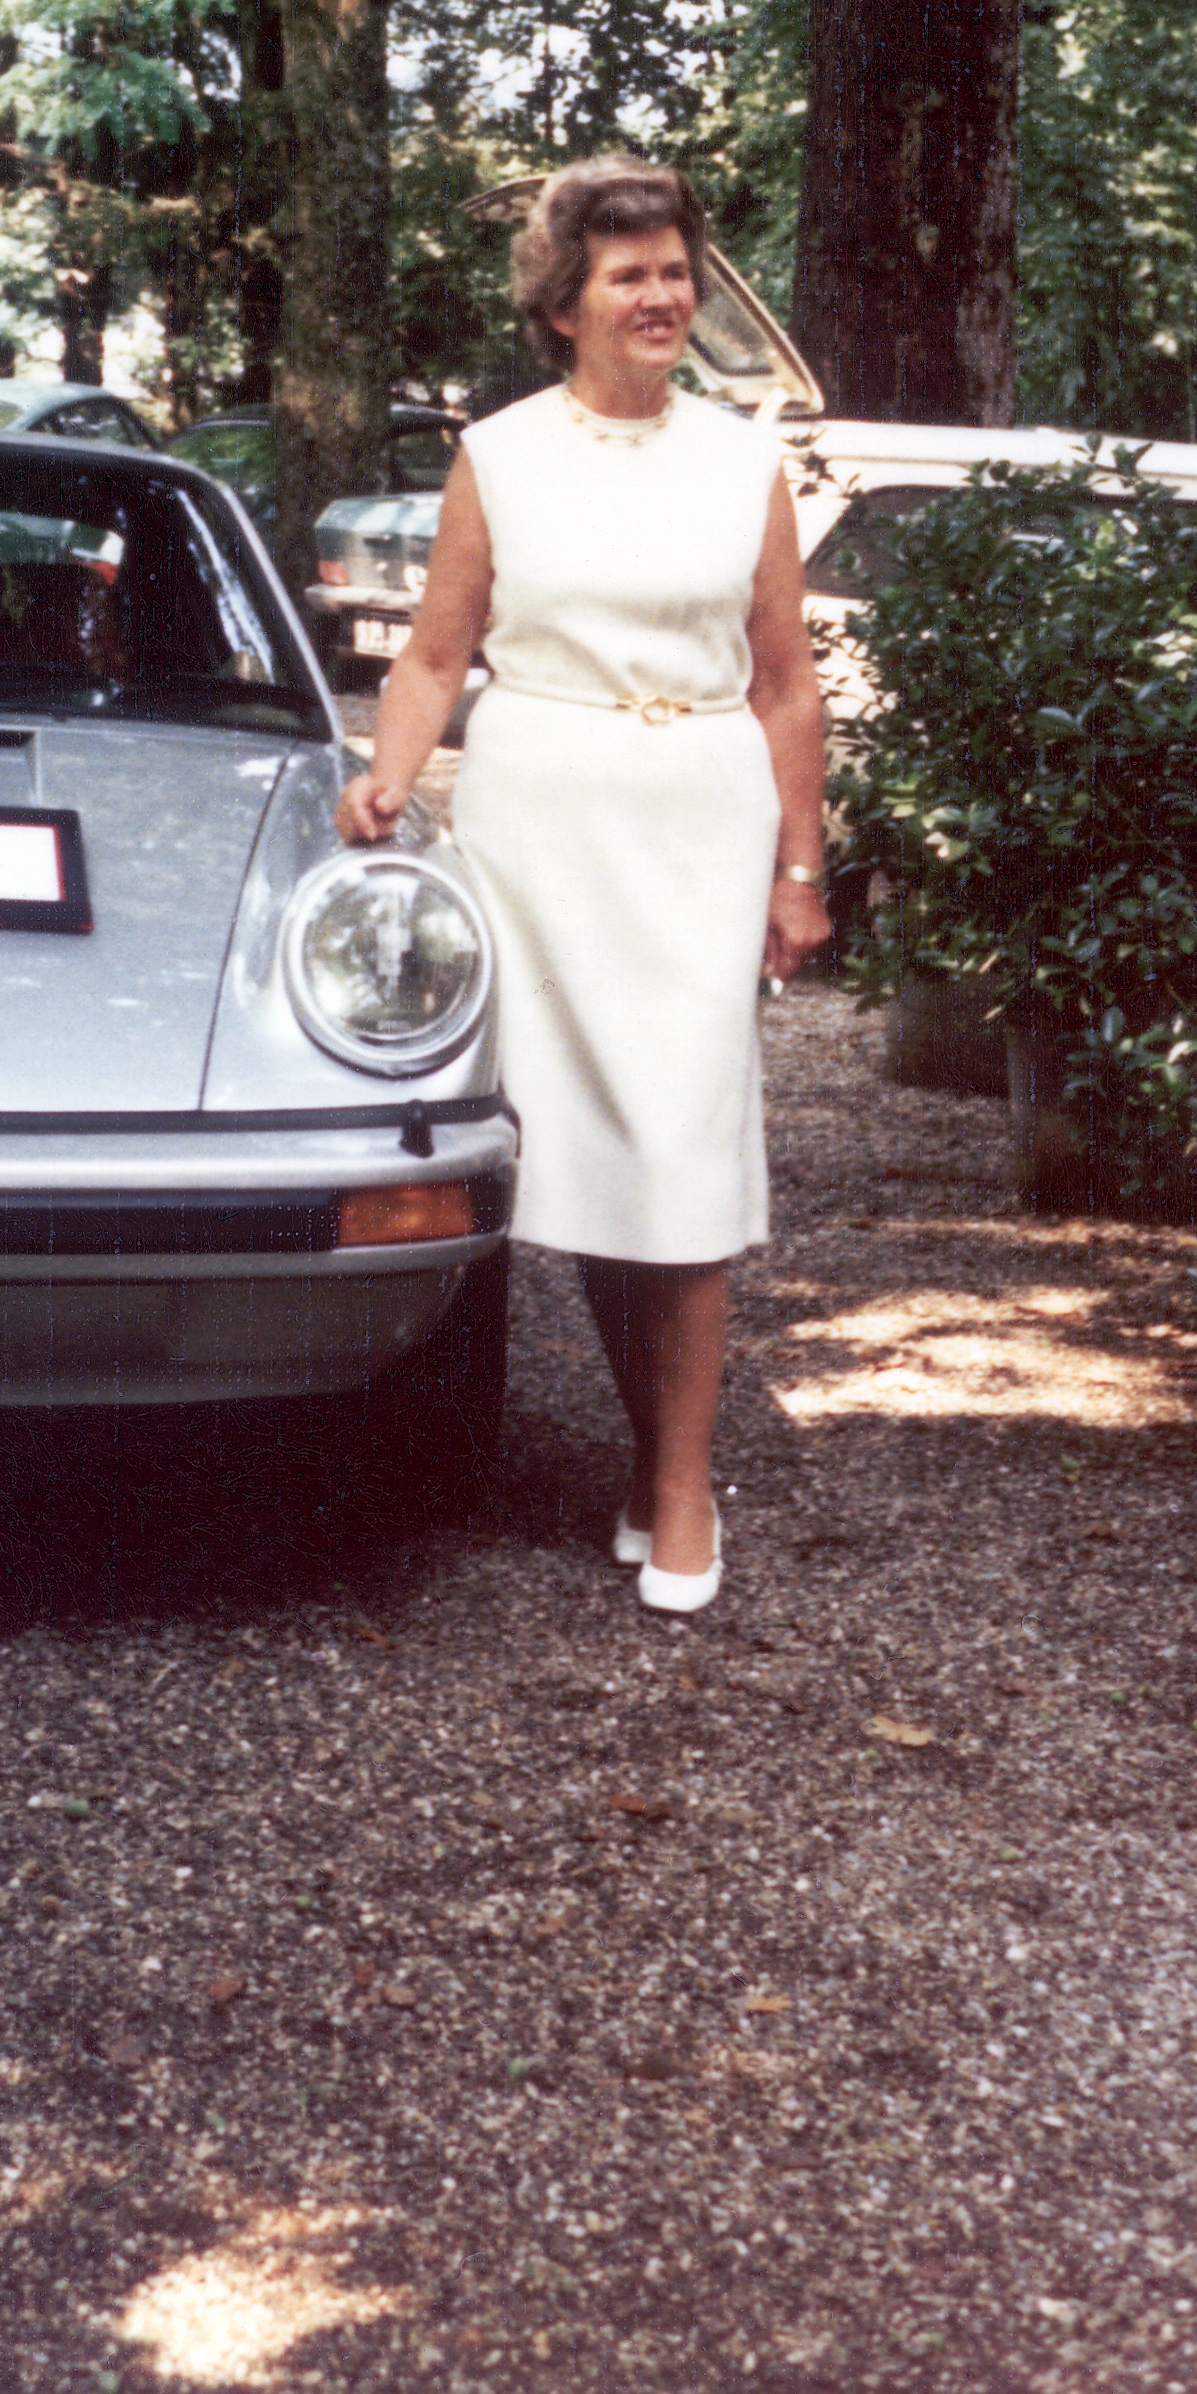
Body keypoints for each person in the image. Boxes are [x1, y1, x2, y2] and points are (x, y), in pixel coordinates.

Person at [337, 158, 829, 1611]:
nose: (662, 293)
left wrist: (802, 867)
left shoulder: (746, 459)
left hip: (699, 820)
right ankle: (649, 1447)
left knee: (682, 1145)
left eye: (675, 268)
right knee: (601, 1155)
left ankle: (682, 1485)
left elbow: (791, 684)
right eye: (629, 274)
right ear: (566, 304)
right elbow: (436, 651)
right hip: (539, 830)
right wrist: (385, 774)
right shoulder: (498, 452)